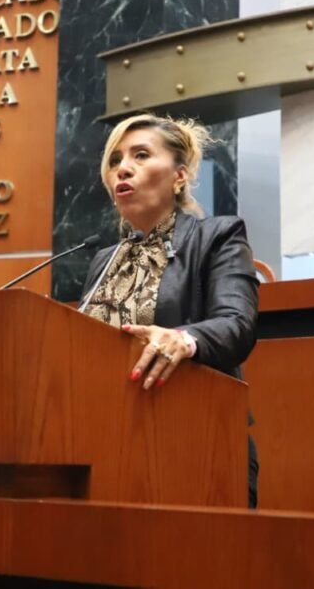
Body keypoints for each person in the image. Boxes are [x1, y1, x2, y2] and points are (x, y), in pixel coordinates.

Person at [79, 112, 260, 508]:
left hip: (195, 443)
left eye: (141, 155)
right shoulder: (104, 259)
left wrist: (183, 339)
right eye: (115, 160)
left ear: (179, 176)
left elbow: (237, 324)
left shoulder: (218, 237)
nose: (123, 168)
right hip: (101, 442)